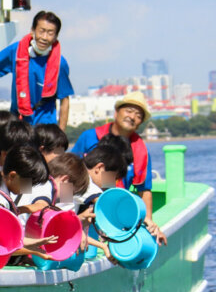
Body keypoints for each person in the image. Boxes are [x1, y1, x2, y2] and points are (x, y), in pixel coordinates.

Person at [70, 91, 166, 245]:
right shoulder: (89, 137)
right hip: (81, 209)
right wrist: (65, 212)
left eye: (138, 115)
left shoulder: (141, 150)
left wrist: (149, 221)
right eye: (129, 111)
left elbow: (144, 189)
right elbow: (67, 172)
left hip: (115, 211)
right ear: (116, 112)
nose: (132, 117)